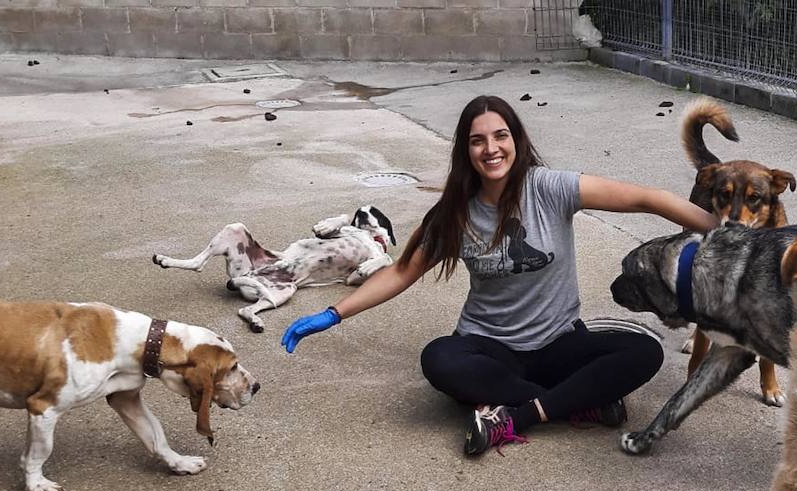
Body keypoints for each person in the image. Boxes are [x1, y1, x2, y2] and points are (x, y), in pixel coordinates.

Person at [281, 95, 717, 457]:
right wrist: (333, 313)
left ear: (515, 140)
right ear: (465, 151)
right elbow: (399, 272)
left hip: (559, 340)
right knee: (439, 360)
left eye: (500, 136)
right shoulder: (452, 215)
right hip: (491, 348)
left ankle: (515, 416)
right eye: (478, 141)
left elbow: (646, 199)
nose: (491, 149)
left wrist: (721, 230)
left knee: (643, 352)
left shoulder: (550, 187)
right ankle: (576, 400)